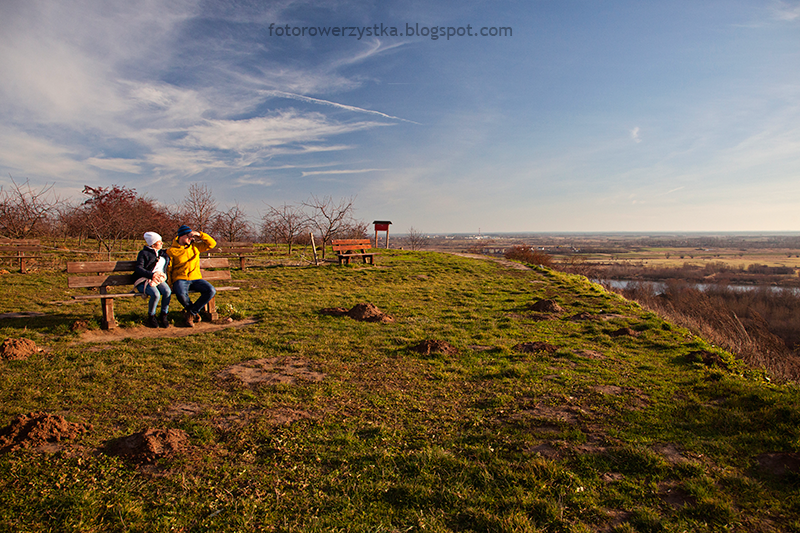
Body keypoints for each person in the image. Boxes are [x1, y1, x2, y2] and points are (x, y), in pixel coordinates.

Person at [166, 225, 217, 327]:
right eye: (188, 236)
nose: (191, 238)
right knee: (181, 294)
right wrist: (170, 283)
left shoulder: (195, 247)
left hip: (195, 278)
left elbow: (212, 244)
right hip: (180, 278)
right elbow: (169, 269)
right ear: (181, 237)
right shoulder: (172, 251)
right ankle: (193, 313)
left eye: (191, 236)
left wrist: (199, 234)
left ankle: (191, 313)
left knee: (211, 290)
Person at [133, 232, 172, 328]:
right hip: (145, 280)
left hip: (159, 279)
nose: (162, 243)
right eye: (160, 242)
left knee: (167, 292)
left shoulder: (163, 253)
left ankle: (164, 315)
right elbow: (139, 268)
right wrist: (151, 275)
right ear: (153, 243)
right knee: (156, 294)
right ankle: (151, 315)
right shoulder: (144, 253)